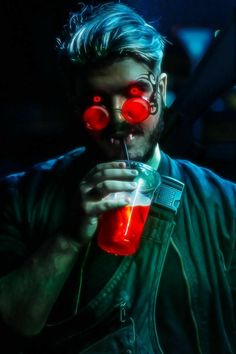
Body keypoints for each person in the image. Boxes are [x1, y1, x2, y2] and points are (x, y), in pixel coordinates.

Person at [0, 2, 235, 353]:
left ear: (161, 88)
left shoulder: (225, 204)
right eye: (97, 101)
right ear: (75, 105)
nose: (118, 120)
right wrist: (68, 237)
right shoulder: (21, 196)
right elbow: (12, 326)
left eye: (135, 95)